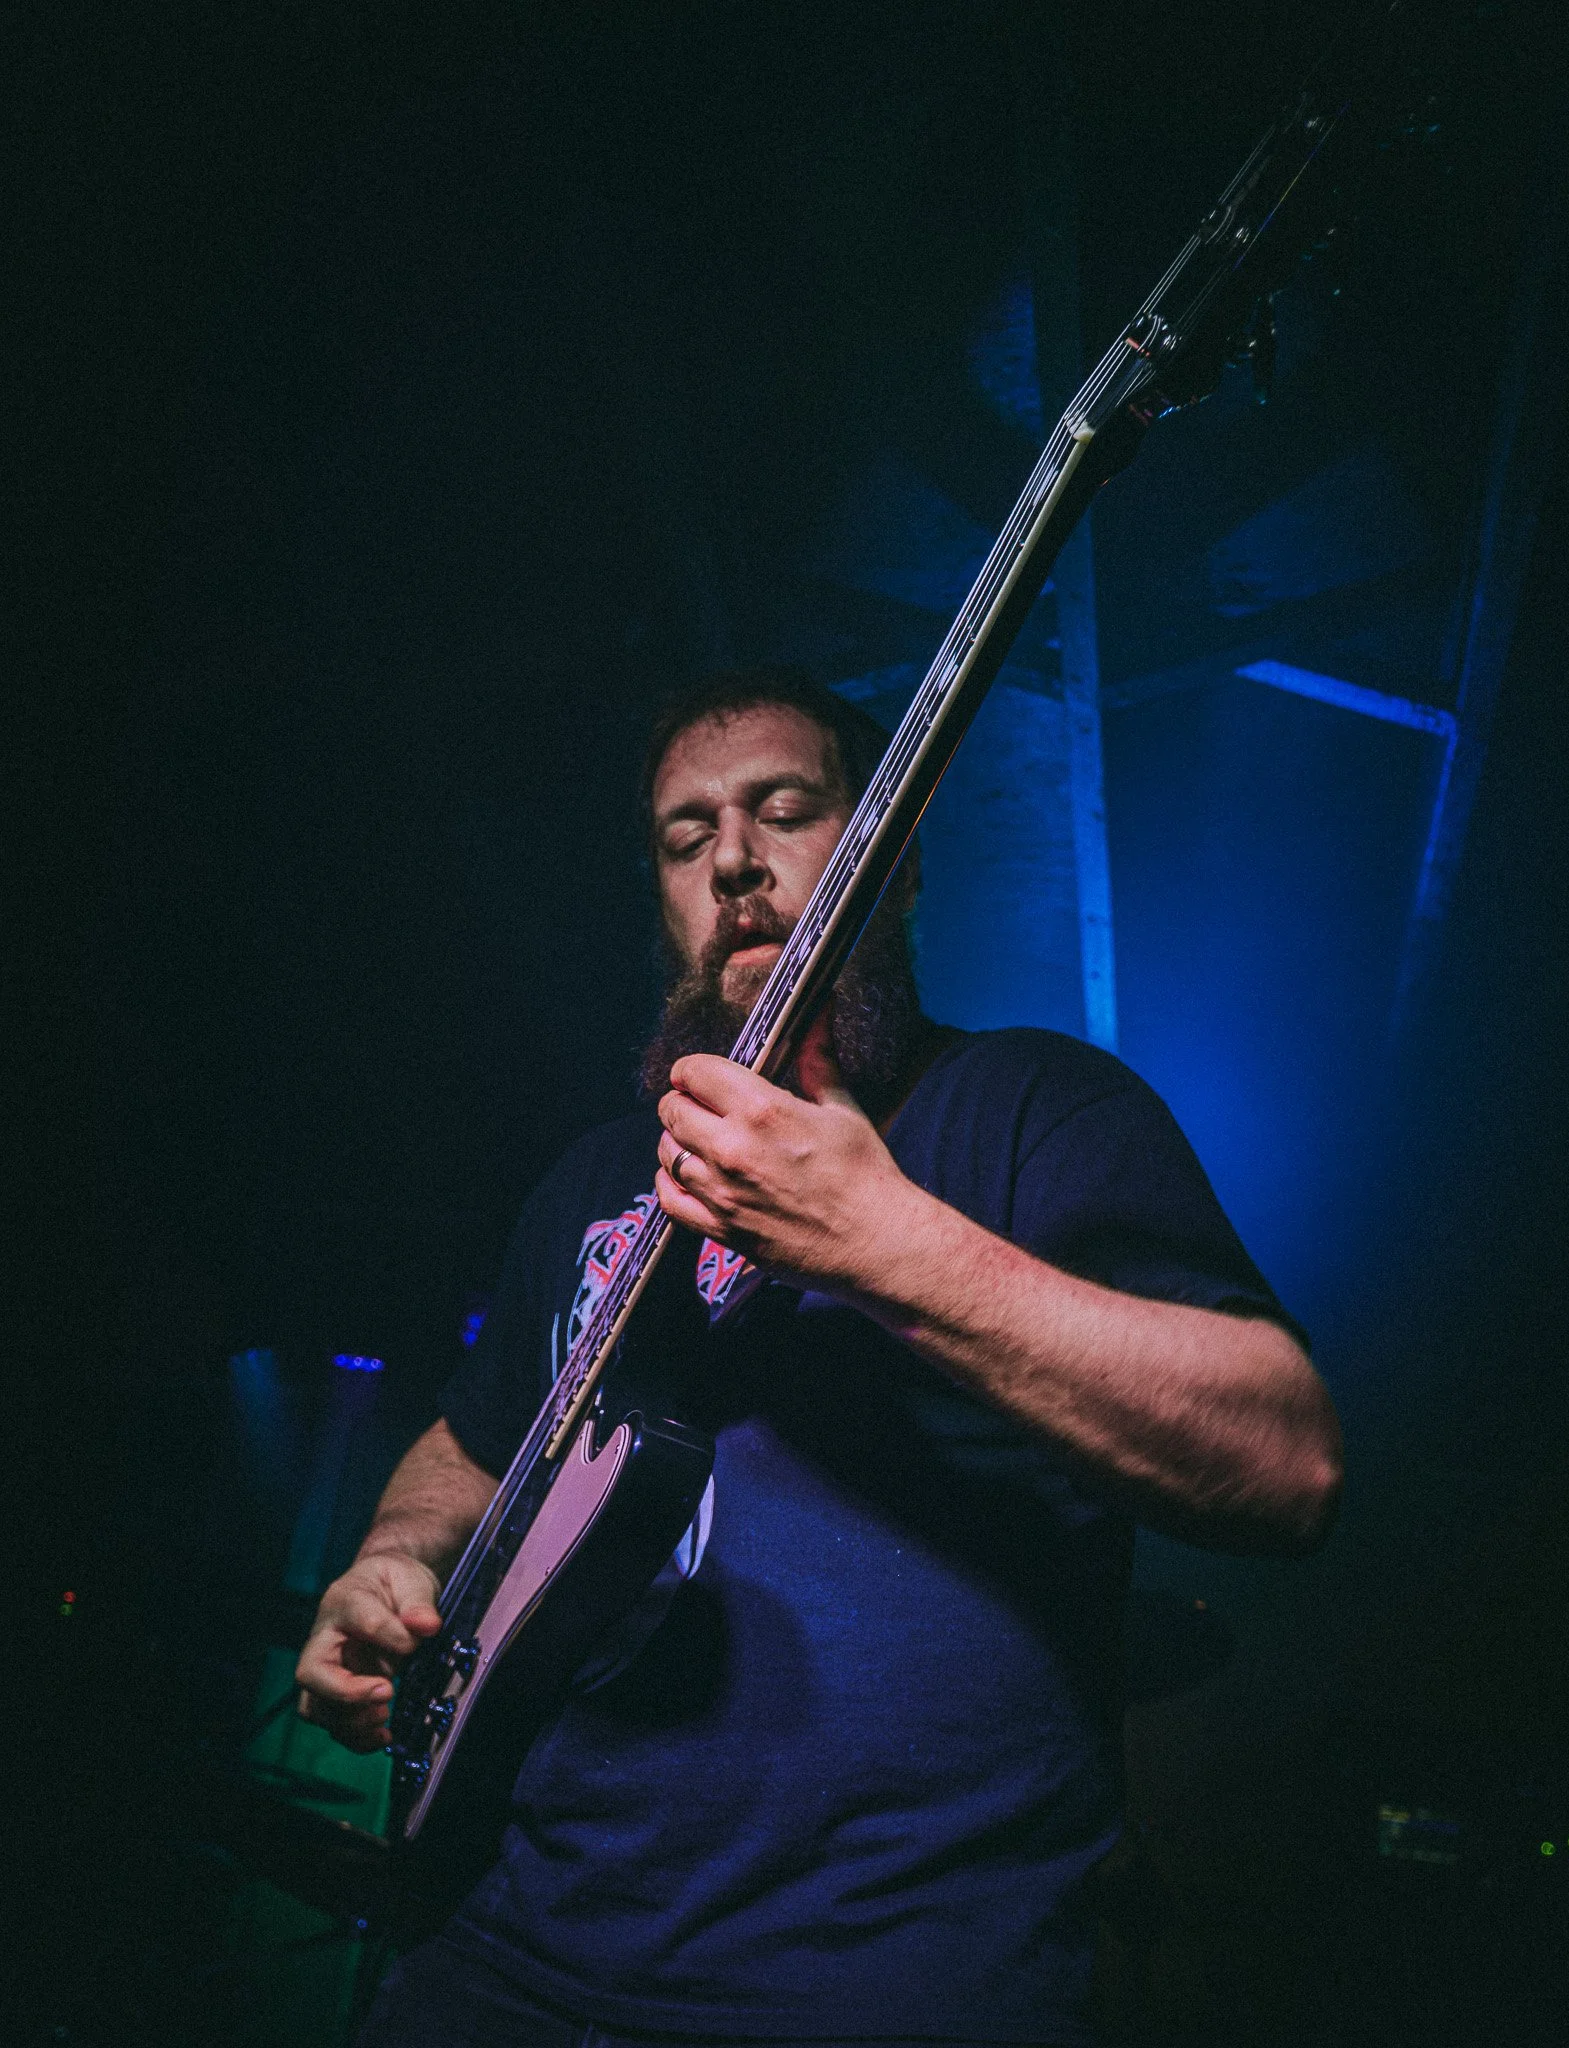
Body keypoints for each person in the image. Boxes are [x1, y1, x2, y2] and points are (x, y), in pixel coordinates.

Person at [296, 667, 1343, 2047]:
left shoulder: (1034, 1105)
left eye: (785, 810)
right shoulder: (595, 1178)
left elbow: (1286, 1461)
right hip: (508, 1949)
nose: (733, 859)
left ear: (892, 866)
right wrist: (393, 1557)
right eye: (686, 839)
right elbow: (472, 1443)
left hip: (881, 1983)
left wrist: (887, 1245)